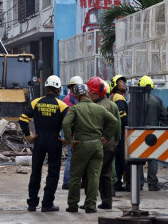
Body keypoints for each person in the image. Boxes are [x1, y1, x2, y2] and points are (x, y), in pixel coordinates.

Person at [63, 84, 118, 213]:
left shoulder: (75, 109)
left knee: (76, 176)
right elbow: (114, 121)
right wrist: (107, 136)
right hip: (97, 146)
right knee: (94, 176)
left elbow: (65, 123)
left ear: (76, 96)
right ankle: (91, 206)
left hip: (81, 145)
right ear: (87, 93)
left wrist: (70, 141)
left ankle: (73, 205)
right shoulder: (99, 108)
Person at [19, 75, 68, 212]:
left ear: (46, 88)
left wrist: (29, 136)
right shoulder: (62, 106)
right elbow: (69, 123)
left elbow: (22, 119)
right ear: (58, 90)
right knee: (53, 173)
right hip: (55, 141)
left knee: (36, 172)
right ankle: (47, 204)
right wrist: (67, 139)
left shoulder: (35, 103)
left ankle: (32, 204)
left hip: (39, 140)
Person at [85, 77, 121, 209]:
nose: (88, 95)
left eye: (90, 93)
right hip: (111, 145)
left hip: (100, 145)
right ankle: (107, 202)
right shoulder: (113, 104)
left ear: (96, 93)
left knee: (93, 173)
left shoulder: (96, 107)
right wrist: (116, 139)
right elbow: (118, 124)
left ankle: (91, 202)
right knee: (106, 175)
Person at [137, 75, 168, 191]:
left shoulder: (136, 101)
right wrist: (163, 131)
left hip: (138, 133)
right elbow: (164, 116)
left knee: (138, 158)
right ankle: (152, 183)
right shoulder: (158, 100)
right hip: (154, 134)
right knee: (153, 158)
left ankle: (138, 183)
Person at [62, 76, 83, 190]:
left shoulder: (76, 99)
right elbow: (68, 121)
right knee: (71, 157)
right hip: (72, 134)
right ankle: (67, 181)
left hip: (77, 134)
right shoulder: (68, 100)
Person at [110, 74, 131, 192]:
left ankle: (117, 184)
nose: (124, 83)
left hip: (117, 132)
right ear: (115, 85)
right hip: (122, 131)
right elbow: (122, 116)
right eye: (121, 82)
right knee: (125, 159)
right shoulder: (118, 98)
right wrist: (128, 126)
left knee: (118, 159)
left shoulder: (115, 97)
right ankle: (130, 184)